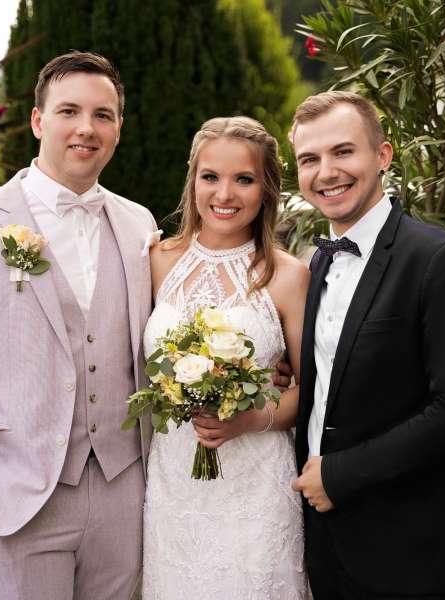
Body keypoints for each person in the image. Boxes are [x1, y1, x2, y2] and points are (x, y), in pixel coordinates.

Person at [0, 51, 159, 599]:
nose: (86, 128)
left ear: (119, 128)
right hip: (12, 494)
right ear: (38, 120)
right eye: (69, 111)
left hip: (125, 492)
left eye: (103, 115)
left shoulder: (139, 223)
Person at [289, 91, 445, 599]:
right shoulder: (319, 261)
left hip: (407, 545)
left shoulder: (437, 258)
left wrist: (340, 475)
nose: (326, 172)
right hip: (326, 540)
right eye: (309, 159)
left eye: (343, 151)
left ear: (383, 155)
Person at [142, 116, 311, 599]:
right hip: (174, 485)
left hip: (255, 490)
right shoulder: (156, 260)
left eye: (244, 179)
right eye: (211, 176)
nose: (224, 194)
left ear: (267, 189)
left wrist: (251, 418)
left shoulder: (288, 276)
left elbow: (312, 391)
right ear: (193, 180)